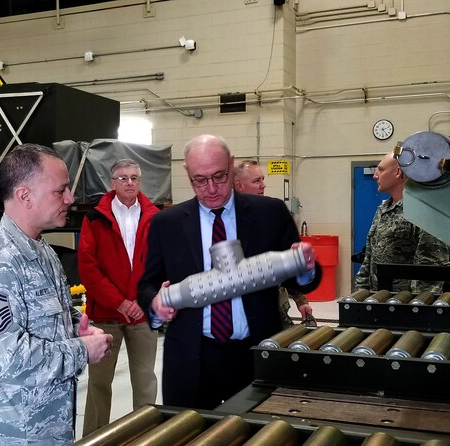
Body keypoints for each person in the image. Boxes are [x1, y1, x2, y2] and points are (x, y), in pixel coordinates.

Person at [137, 134, 321, 410]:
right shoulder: (167, 223)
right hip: (191, 359)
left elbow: (305, 280)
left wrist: (305, 268)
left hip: (256, 355)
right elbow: (147, 285)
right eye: (200, 180)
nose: (211, 188)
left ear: (232, 165)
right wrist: (155, 305)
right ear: (187, 173)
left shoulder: (269, 212)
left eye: (219, 176)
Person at [0, 144, 113, 444]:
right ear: (25, 195)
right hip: (6, 435)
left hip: (43, 430)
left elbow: (44, 311)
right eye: (60, 191)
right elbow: (7, 360)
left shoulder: (42, 251)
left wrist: (75, 324)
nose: (70, 198)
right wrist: (82, 350)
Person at [78, 159, 159, 434]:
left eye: (134, 178)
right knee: (99, 384)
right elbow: (88, 267)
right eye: (123, 178)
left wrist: (140, 302)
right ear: (112, 183)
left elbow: (159, 264)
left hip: (142, 315)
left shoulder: (154, 216)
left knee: (145, 381)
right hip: (105, 316)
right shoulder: (94, 218)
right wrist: (120, 302)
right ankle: (94, 437)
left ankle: (145, 436)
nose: (130, 183)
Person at [233, 159, 314, 328]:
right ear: (239, 186)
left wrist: (301, 300)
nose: (263, 185)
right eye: (256, 181)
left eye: (262, 179)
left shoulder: (272, 216)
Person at [353, 152, 449, 293]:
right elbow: (369, 257)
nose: (375, 176)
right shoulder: (383, 209)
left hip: (404, 305)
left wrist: (416, 306)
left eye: (381, 169)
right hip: (378, 300)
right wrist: (360, 293)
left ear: (398, 172)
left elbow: (429, 269)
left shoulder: (424, 212)